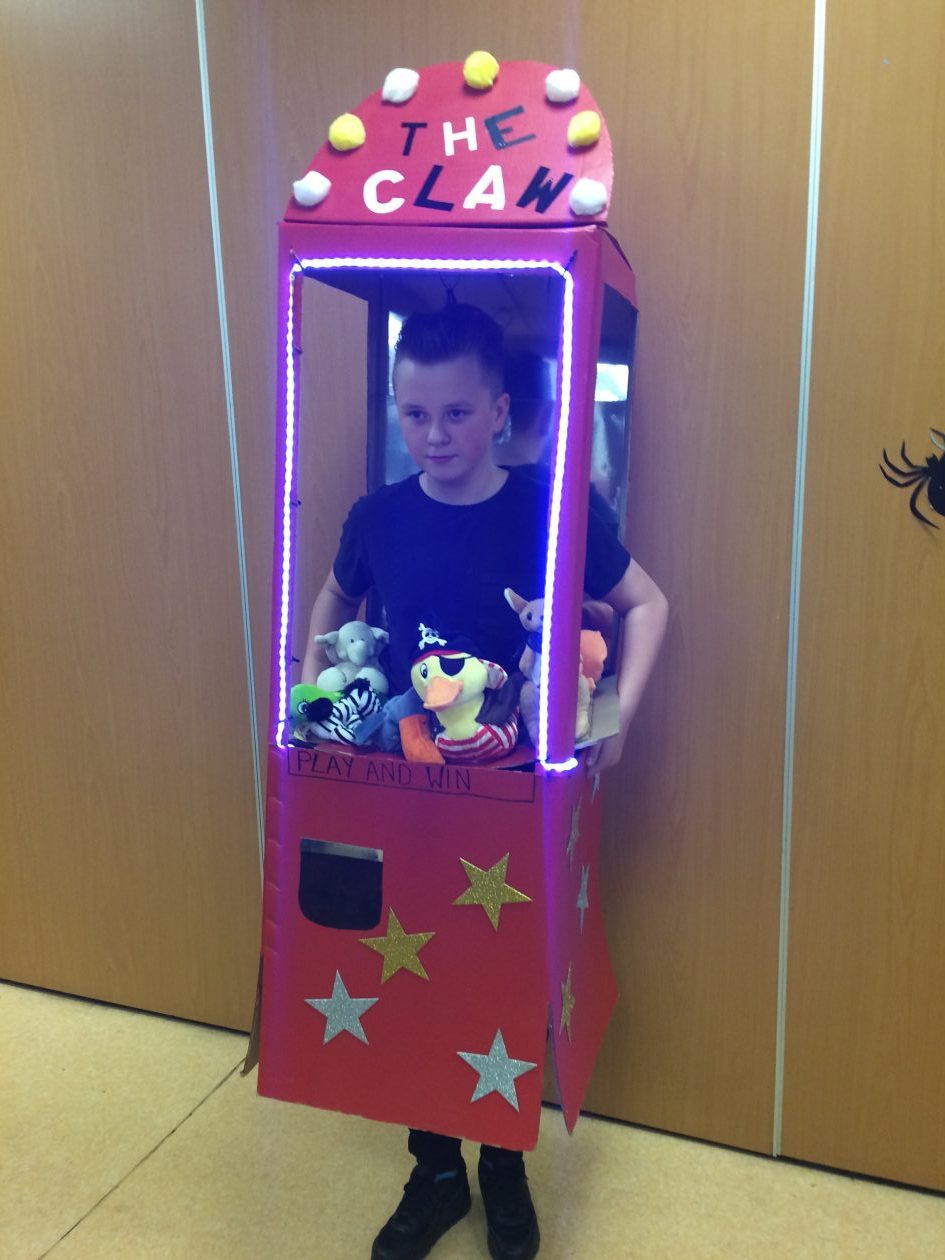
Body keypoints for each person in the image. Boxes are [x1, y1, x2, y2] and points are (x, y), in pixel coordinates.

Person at [301, 303, 668, 1260]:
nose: (435, 435)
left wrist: (615, 716)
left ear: (499, 410)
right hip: (404, 792)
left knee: (502, 977)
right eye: (415, 415)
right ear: (397, 409)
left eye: (457, 414)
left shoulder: (547, 507)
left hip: (519, 797)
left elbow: (646, 603)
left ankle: (502, 1165)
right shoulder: (378, 517)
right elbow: (334, 599)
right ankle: (433, 1171)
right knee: (407, 973)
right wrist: (313, 704)